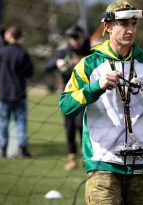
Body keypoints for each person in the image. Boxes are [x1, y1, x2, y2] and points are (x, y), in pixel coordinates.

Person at [59, 1, 143, 204]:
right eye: (124, 24)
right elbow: (66, 106)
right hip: (103, 165)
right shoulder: (89, 65)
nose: (130, 30)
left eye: (134, 24)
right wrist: (95, 87)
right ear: (107, 26)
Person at [44, 25, 91, 170]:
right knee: (69, 127)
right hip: (68, 96)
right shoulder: (64, 52)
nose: (74, 40)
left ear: (83, 37)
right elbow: (47, 66)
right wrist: (58, 63)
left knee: (81, 126)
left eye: (77, 37)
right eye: (72, 38)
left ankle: (87, 157)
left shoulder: (90, 52)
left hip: (86, 94)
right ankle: (72, 159)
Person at [0, 26, 34, 158]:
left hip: (4, 93)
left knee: (3, 123)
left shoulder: (0, 52)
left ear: (9, 35)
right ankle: (22, 149)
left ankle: (3, 150)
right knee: (21, 122)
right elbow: (30, 73)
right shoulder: (23, 53)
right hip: (19, 93)